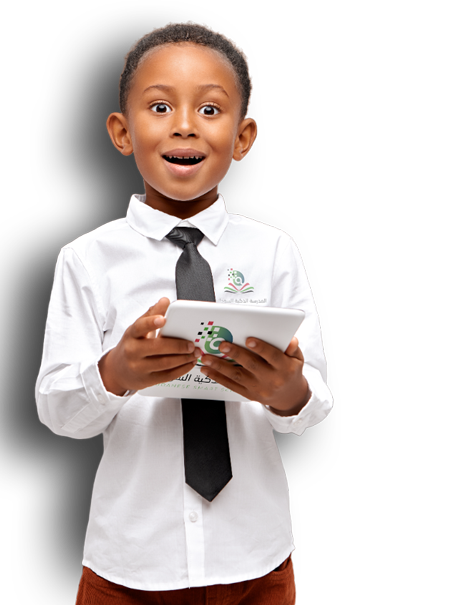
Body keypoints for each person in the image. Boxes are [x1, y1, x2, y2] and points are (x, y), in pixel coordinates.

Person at [35, 21, 334, 605]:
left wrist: (286, 391)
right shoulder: (86, 258)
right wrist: (116, 373)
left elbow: (314, 400)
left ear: (243, 138)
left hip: (257, 562)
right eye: (160, 106)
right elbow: (58, 412)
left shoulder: (275, 251)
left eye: (210, 109)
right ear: (122, 132)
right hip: (129, 568)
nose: (185, 125)